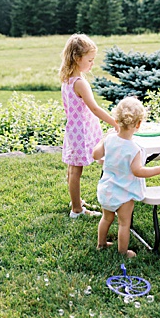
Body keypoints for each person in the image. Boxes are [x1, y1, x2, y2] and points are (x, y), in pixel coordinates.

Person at [93, 97, 160, 257]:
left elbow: (95, 154)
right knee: (124, 223)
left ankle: (101, 244)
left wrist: (104, 138)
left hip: (107, 189)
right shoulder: (134, 148)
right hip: (124, 193)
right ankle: (123, 252)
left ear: (116, 120)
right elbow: (138, 171)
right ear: (138, 125)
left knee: (106, 218)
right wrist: (159, 169)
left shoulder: (109, 139)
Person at [59, 34, 118, 219]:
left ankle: (76, 200)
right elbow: (94, 108)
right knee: (76, 170)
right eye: (90, 60)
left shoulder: (67, 79)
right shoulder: (79, 83)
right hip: (81, 132)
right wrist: (115, 123)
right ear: (77, 58)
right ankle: (77, 210)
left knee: (72, 169)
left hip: (74, 130)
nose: (92, 64)